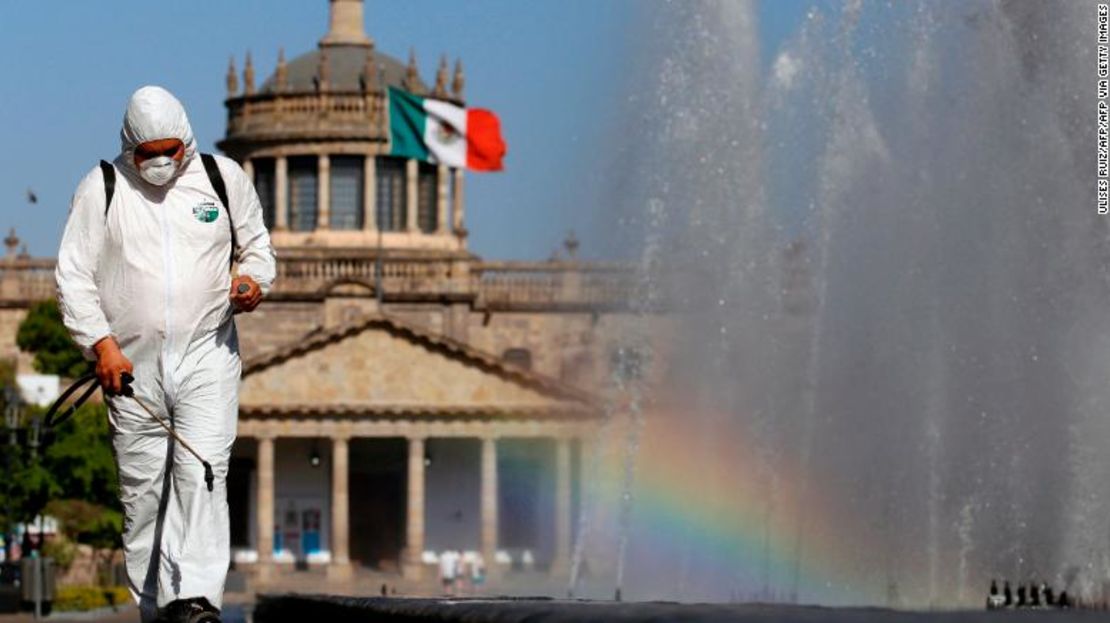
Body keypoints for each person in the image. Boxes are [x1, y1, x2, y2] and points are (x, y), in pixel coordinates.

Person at [55, 86, 275, 623]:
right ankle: (155, 607)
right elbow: (74, 275)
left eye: (170, 150)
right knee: (143, 493)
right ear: (128, 145)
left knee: (203, 471)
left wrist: (252, 281)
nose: (158, 161)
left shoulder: (222, 180)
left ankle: (194, 599)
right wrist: (100, 344)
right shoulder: (102, 188)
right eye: (147, 152)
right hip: (130, 368)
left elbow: (257, 247)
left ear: (188, 143)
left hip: (207, 353)